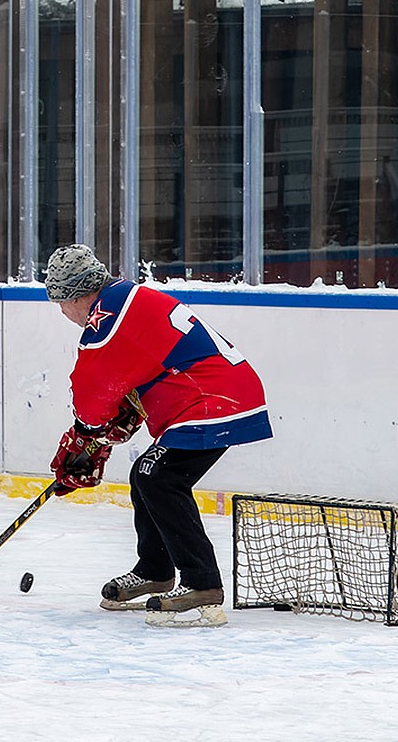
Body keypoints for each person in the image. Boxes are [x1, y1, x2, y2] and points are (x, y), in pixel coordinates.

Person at [44, 244, 272, 627]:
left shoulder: (105, 318)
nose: (63, 312)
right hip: (217, 393)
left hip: (212, 399)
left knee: (159, 476)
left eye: (60, 302)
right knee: (147, 475)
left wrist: (86, 436)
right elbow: (139, 369)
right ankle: (155, 569)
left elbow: (92, 390)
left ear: (75, 295)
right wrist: (101, 428)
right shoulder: (124, 297)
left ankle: (202, 584)